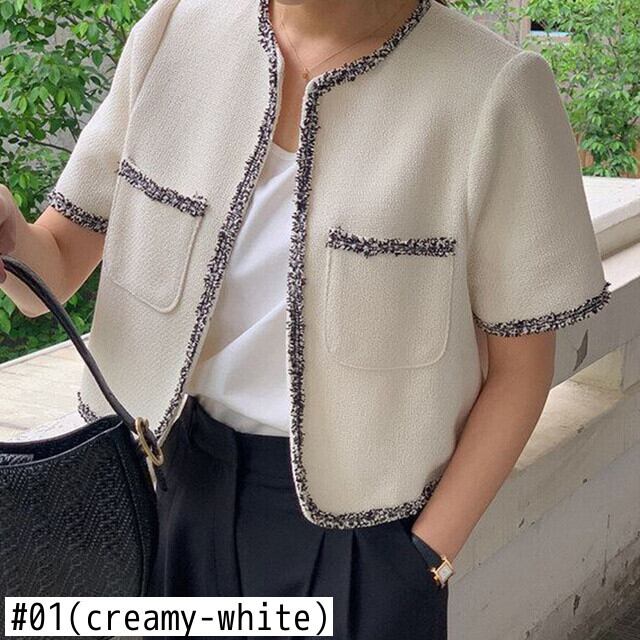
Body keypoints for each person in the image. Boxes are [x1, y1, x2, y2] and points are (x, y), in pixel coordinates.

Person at [0, 0, 611, 637]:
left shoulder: (494, 90)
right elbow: (55, 266)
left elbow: (521, 370)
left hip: (365, 542)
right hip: (169, 496)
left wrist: (424, 558)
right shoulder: (172, 33)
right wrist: (10, 233)